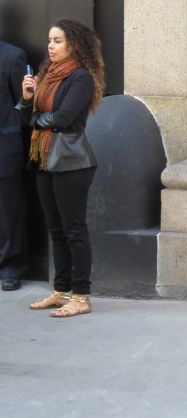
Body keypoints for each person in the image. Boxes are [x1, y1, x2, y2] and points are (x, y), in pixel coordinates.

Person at [16, 18, 105, 317]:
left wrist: (36, 119)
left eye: (58, 41)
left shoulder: (81, 78)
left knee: (74, 230)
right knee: (56, 230)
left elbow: (64, 119)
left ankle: (81, 296)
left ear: (74, 45)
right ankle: (62, 291)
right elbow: (32, 117)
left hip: (71, 162)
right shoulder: (47, 75)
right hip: (44, 158)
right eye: (49, 41)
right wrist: (27, 99)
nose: (51, 46)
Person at [0, 40, 28, 292]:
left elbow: (24, 107)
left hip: (4, 146)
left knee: (9, 212)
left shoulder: (12, 55)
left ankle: (11, 268)